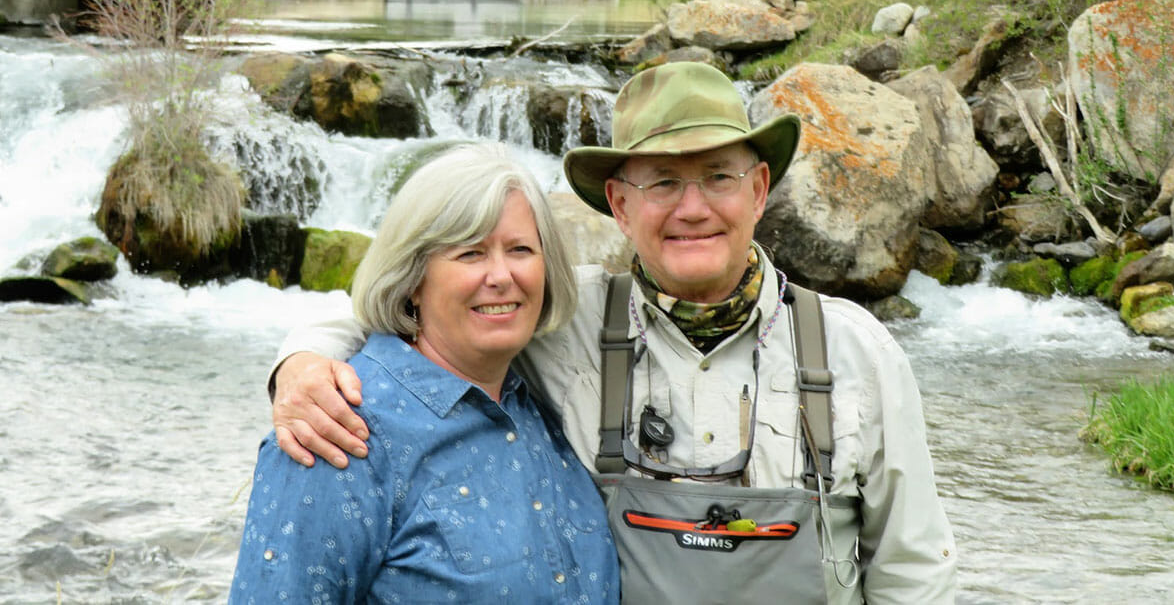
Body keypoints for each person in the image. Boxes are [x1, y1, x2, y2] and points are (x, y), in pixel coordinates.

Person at [268, 62, 957, 603]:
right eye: (662, 183)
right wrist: (300, 363)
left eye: (718, 176)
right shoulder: (560, 323)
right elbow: (415, 305)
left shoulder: (859, 351)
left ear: (758, 191)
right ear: (621, 206)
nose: (692, 209)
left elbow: (913, 570)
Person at [230, 143, 619, 603]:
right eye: (471, 253)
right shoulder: (334, 429)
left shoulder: (548, 396)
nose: (501, 276)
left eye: (520, 249)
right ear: (413, 277)